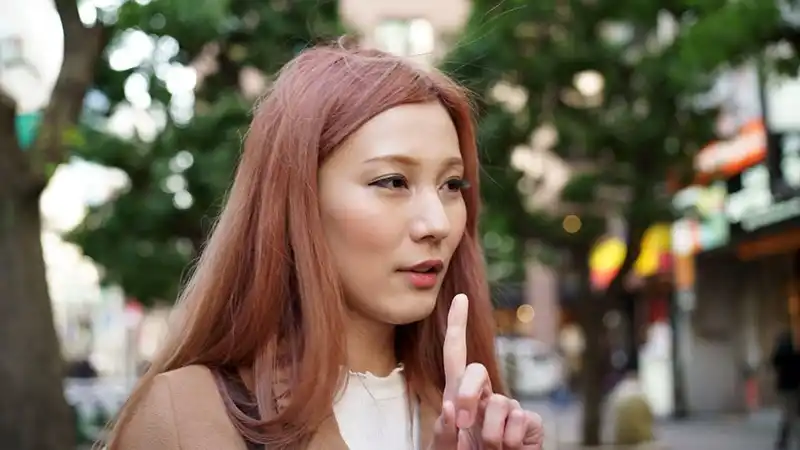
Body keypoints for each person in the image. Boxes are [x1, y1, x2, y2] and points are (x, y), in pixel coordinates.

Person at [108, 41, 544, 450]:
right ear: (297, 200)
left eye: (451, 184)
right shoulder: (187, 418)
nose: (437, 223)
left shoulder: (479, 419)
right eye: (393, 182)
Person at [772, 328, 800, 450]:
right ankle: (783, 441)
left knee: (788, 416)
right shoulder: (795, 356)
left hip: (785, 389)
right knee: (791, 416)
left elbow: (775, 364)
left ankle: (783, 441)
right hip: (793, 389)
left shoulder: (779, 356)